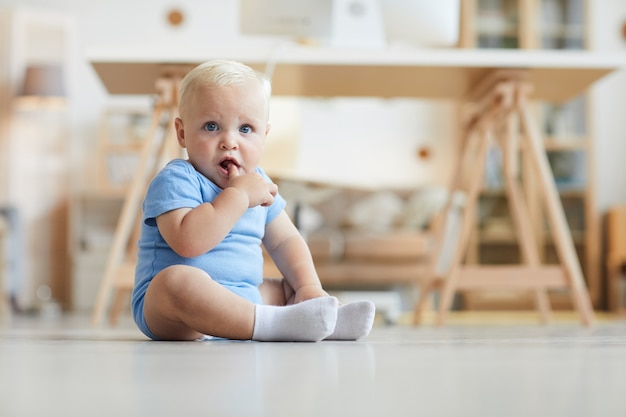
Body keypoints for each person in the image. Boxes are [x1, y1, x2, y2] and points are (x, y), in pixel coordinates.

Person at [131, 59, 375, 342]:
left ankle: (320, 317)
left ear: (264, 136)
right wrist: (238, 196)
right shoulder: (177, 179)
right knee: (175, 281)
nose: (229, 141)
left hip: (242, 297)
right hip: (173, 311)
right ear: (183, 133)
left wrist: (309, 287)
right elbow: (189, 243)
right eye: (211, 126)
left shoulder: (259, 182)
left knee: (286, 288)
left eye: (245, 129)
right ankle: (272, 325)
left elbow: (286, 241)